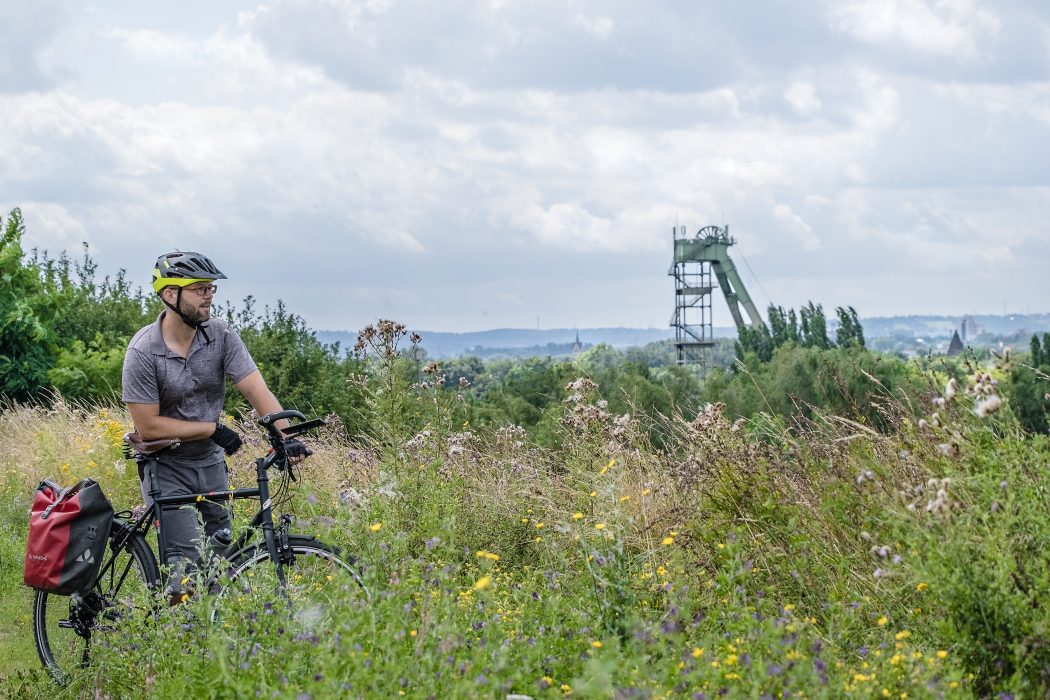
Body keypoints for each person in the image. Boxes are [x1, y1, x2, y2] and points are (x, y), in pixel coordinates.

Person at [121, 251, 309, 601]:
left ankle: (212, 640)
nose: (208, 295)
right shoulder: (143, 352)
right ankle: (178, 640)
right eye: (198, 289)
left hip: (209, 463)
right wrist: (210, 428)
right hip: (166, 467)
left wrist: (285, 435)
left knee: (223, 558)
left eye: (210, 288)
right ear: (169, 295)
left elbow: (255, 386)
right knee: (187, 567)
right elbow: (147, 427)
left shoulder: (219, 334)